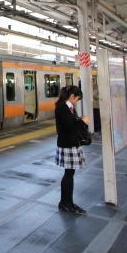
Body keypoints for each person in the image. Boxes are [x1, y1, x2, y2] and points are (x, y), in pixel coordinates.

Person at [54, 86, 91, 214]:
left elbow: (70, 124)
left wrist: (78, 119)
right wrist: (83, 122)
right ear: (72, 96)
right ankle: (66, 203)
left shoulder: (67, 107)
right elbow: (70, 129)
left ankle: (67, 202)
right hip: (67, 145)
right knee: (69, 175)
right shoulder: (62, 108)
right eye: (77, 99)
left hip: (70, 144)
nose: (77, 102)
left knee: (69, 174)